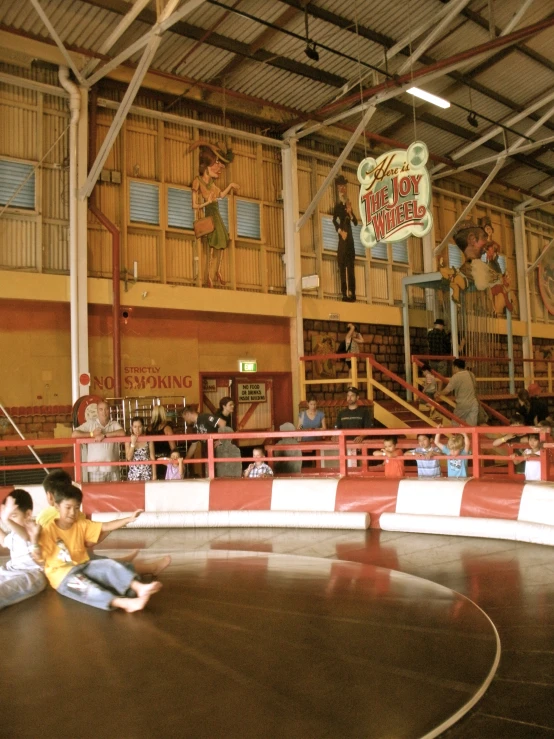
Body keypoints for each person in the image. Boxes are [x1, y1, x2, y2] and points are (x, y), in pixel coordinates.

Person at [35, 485, 164, 613]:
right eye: (68, 508)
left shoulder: (80, 525)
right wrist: (34, 539)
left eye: (76, 508)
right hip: (62, 576)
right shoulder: (48, 531)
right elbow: (38, 558)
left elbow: (105, 526)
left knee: (108, 565)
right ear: (57, 506)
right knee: (89, 588)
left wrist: (129, 519)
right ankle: (125, 603)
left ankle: (139, 587)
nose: (72, 513)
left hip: (84, 565)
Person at [190, 141, 239, 288]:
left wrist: (230, 186)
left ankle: (218, 271)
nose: (219, 168)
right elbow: (194, 205)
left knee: (223, 241)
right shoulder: (197, 182)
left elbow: (221, 195)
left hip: (216, 212)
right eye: (216, 163)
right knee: (212, 245)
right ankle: (209, 276)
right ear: (206, 165)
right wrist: (207, 202)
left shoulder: (213, 185)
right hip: (210, 213)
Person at [0, 490, 46, 610]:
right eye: (8, 516)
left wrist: (6, 519)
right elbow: (4, 541)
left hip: (31, 575)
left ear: (28, 514)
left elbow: (26, 537)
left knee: (2, 592)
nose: (9, 520)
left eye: (13, 515)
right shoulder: (14, 534)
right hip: (9, 571)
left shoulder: (34, 529)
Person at [71, 400, 123, 482]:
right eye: (101, 409)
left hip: (113, 467)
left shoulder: (114, 424)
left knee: (115, 493)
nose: (104, 412)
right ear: (97, 411)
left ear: (109, 410)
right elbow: (74, 434)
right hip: (96, 469)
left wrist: (104, 435)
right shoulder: (91, 424)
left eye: (106, 409)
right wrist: (92, 434)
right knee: (97, 494)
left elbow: (122, 433)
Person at [332, 174, 358, 302]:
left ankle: (352, 292)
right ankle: (344, 293)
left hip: (350, 242)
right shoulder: (337, 208)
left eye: (344, 187)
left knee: (351, 268)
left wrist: (350, 213)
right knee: (342, 267)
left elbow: (356, 222)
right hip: (342, 241)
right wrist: (340, 231)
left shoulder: (349, 207)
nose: (342, 189)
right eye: (340, 187)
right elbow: (334, 221)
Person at [335, 387, 374, 467]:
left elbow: (368, 428)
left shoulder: (364, 412)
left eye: (352, 395)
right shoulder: (342, 413)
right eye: (348, 396)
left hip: (359, 445)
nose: (349, 398)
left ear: (357, 397)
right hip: (345, 445)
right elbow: (337, 428)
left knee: (360, 469)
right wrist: (335, 436)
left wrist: (361, 437)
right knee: (345, 469)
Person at [441, 359, 479, 426]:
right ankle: (469, 436)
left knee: (455, 422)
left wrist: (438, 393)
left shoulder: (456, 377)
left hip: (462, 404)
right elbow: (475, 386)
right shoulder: (471, 374)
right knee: (471, 427)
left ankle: (458, 436)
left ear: (455, 367)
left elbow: (447, 390)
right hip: (474, 403)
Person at [148, 406, 176, 481]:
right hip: (165, 460)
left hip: (152, 460)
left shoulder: (148, 429)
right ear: (164, 414)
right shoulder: (167, 428)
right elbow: (173, 447)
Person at [125, 417, 155, 482]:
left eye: (140, 427)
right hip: (133, 474)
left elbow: (152, 458)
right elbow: (129, 457)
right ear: (131, 427)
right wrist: (133, 443)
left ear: (143, 427)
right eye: (135, 427)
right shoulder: (128, 440)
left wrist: (154, 475)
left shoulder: (148, 439)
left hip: (147, 473)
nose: (137, 429)